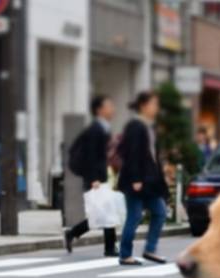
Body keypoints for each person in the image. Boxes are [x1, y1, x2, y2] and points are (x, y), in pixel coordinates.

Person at [115, 90, 169, 266]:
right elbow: (130, 153)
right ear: (144, 106)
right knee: (135, 216)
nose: (156, 108)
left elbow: (152, 155)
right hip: (137, 180)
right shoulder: (135, 126)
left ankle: (150, 249)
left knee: (160, 212)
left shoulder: (148, 126)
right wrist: (135, 178)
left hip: (150, 181)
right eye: (154, 104)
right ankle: (125, 254)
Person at [63, 95, 118, 256]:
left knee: (102, 214)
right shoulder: (95, 130)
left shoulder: (103, 127)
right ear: (99, 110)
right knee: (106, 213)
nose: (112, 109)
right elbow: (91, 156)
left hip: (100, 176)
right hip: (95, 178)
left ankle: (72, 233)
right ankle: (108, 248)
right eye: (109, 106)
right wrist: (94, 178)